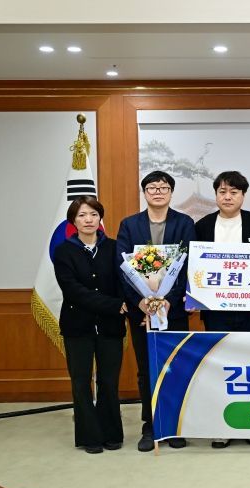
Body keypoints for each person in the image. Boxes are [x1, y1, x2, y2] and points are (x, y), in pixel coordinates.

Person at [116, 170, 195, 452]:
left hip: (173, 310)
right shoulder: (129, 225)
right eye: (152, 187)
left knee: (174, 367)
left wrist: (168, 301)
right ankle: (150, 426)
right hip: (141, 312)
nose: (158, 192)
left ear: (171, 192)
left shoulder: (184, 223)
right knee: (146, 369)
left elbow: (189, 266)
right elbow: (122, 268)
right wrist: (141, 303)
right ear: (145, 193)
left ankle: (173, 425)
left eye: (163, 187)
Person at [194, 170, 250, 449]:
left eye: (234, 192)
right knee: (220, 365)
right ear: (216, 195)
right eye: (222, 192)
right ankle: (221, 426)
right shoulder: (202, 226)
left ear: (243, 196)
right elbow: (196, 268)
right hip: (216, 310)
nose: (228, 197)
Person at [53, 196, 127, 454]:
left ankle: (111, 433)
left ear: (100, 219)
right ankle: (90, 437)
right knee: (81, 382)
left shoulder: (114, 248)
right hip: (77, 327)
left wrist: (125, 303)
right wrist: (115, 305)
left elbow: (124, 282)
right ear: (73, 221)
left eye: (93, 214)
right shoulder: (63, 251)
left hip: (110, 327)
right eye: (82, 215)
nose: (88, 220)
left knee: (108, 381)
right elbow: (73, 291)